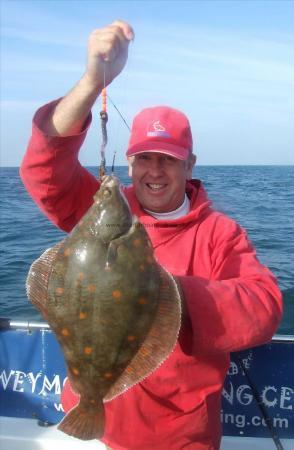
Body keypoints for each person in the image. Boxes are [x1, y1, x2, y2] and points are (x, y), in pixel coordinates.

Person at [20, 20, 283, 450]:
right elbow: (44, 169)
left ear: (190, 165)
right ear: (128, 163)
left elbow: (265, 307)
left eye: (169, 160)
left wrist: (162, 294)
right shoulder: (100, 210)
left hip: (179, 436)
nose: (155, 171)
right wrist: (91, 82)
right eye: (144, 158)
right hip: (95, 426)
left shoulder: (220, 233)